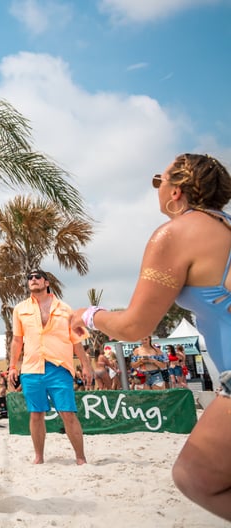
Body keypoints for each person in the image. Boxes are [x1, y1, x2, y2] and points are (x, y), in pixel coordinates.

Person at [71, 153, 231, 521]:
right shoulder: (225, 226)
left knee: (195, 476)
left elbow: (134, 327)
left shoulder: (174, 235)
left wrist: (89, 315)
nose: (157, 190)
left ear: (175, 192)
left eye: (159, 181)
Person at [8, 269, 93, 465]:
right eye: (29, 278)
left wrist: (86, 366)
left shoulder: (65, 309)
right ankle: (39, 457)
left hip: (59, 367)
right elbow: (17, 340)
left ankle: (81, 458)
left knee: (68, 413)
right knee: (36, 414)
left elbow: (77, 341)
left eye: (37, 277)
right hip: (31, 368)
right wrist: (13, 367)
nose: (33, 280)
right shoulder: (20, 309)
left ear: (47, 282)